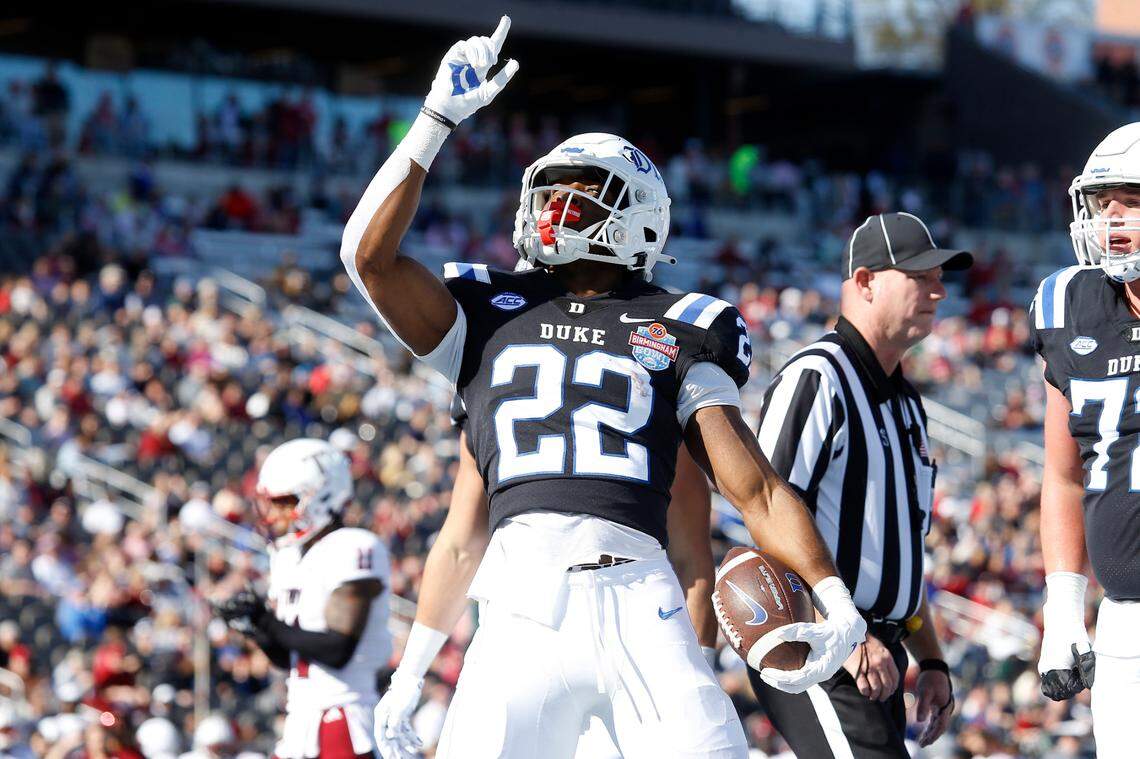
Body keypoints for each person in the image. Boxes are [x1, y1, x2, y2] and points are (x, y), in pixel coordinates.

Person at [339, 16, 865, 757]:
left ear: (637, 214)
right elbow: (367, 258)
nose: (554, 208)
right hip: (517, 607)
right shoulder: (487, 312)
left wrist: (833, 594)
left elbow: (758, 489)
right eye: (548, 192)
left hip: (636, 595)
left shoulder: (683, 323)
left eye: (579, 192)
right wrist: (434, 121)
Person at [373, 402, 720, 758]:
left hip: (621, 603)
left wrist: (698, 664)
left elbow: (690, 553)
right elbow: (460, 545)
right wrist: (409, 674)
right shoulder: (486, 367)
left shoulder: (664, 360)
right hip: (533, 609)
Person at [752, 212, 970, 757]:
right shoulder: (818, 376)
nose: (939, 292)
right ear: (866, 281)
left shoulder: (908, 405)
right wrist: (841, 633)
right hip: (823, 649)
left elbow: (899, 556)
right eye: (920, 277)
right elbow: (768, 517)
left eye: (940, 278)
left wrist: (933, 657)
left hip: (881, 654)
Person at [1031, 121, 1140, 758]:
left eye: (1132, 199)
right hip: (1125, 616)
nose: (1114, 218)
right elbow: (1063, 475)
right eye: (1105, 203)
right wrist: (1066, 609)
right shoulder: (1068, 306)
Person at [214, 438, 391, 759]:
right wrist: (255, 628)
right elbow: (288, 658)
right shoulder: (288, 557)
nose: (276, 514)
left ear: (323, 494)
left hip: (344, 715)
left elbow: (337, 650)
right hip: (301, 720)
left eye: (285, 501)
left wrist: (267, 621)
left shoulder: (353, 546)